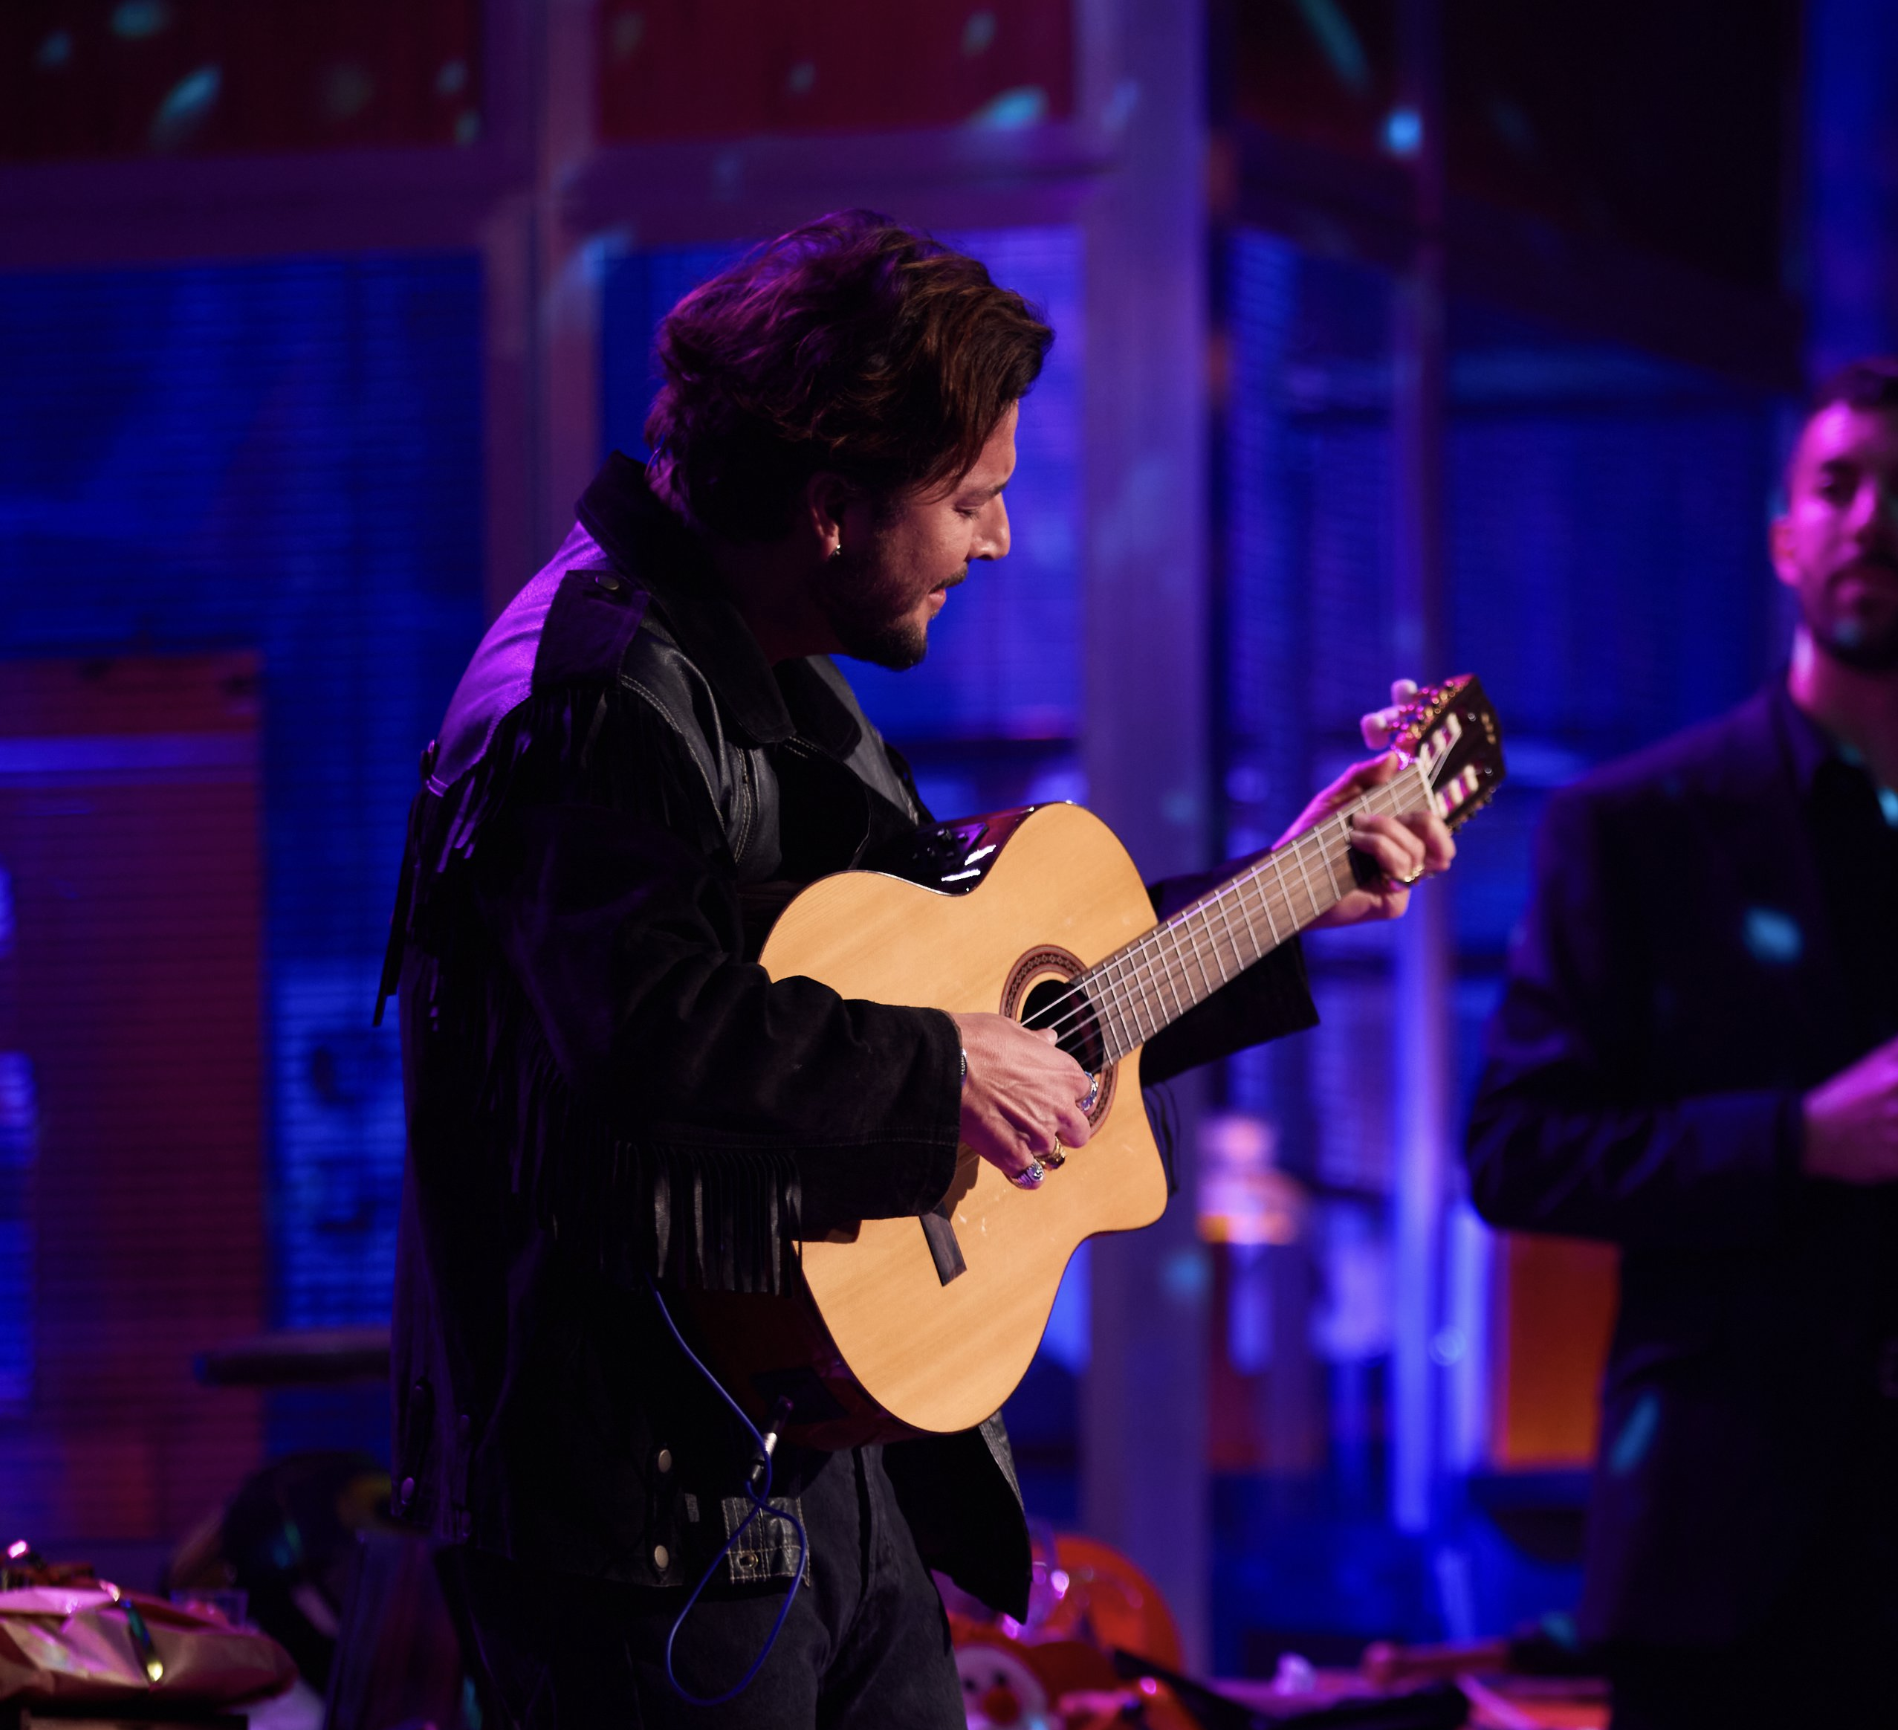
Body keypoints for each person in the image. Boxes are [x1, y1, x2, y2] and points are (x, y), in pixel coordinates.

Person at [379, 210, 1452, 1727]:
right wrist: (948, 1073)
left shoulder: (763, 657)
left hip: (815, 1456)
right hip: (639, 1518)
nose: (999, 540)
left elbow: (998, 988)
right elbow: (639, 1023)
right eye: (971, 501)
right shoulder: (597, 691)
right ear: (831, 507)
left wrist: (1295, 887)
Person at [1465, 356, 1898, 1726]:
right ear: (1785, 539)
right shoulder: (1634, 830)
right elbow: (1516, 1150)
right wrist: (1800, 1139)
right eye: (1836, 487)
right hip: (1725, 1564)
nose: (1868, 520)